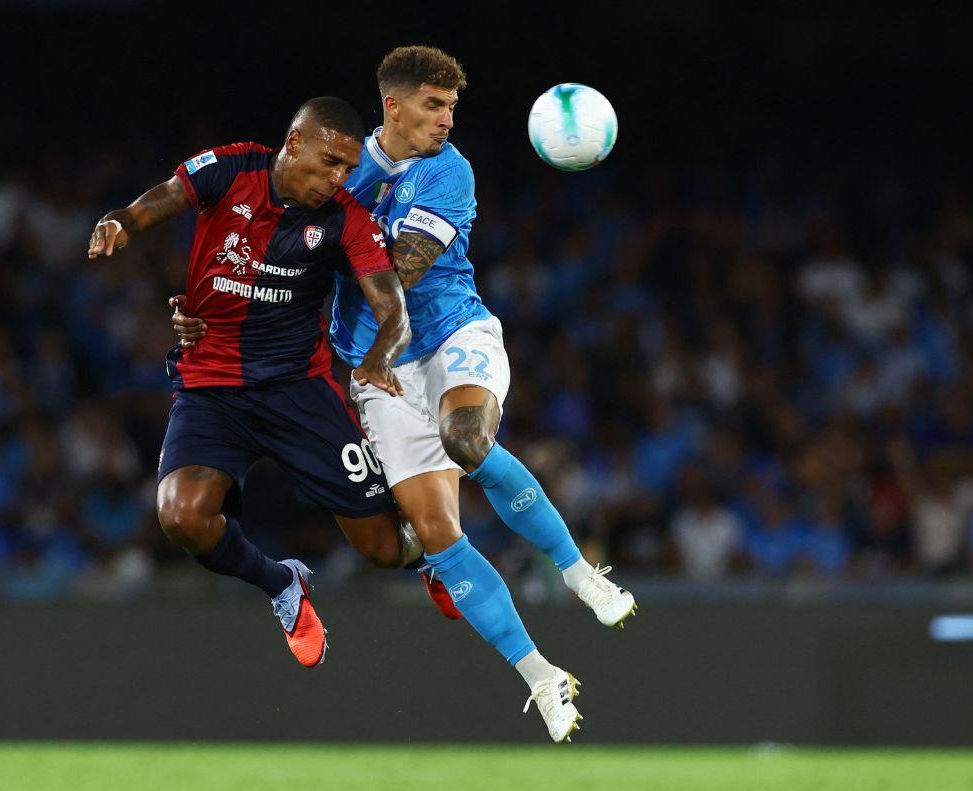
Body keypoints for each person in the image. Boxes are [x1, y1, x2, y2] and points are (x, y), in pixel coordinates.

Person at [174, 48, 635, 742]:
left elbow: (400, 273)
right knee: (436, 536)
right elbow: (269, 240)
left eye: (452, 108)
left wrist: (312, 247)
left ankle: (577, 573)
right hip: (374, 369)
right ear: (393, 106)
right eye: (433, 106)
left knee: (467, 439)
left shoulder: (449, 172)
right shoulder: (340, 168)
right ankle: (542, 677)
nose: (447, 120)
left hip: (450, 335)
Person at [88, 97, 417, 670]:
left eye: (347, 168)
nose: (338, 179)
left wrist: (377, 358)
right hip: (213, 388)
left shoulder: (344, 218)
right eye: (330, 163)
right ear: (294, 144)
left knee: (386, 551)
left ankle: (438, 554)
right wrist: (121, 221)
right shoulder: (232, 168)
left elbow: (394, 311)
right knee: (181, 516)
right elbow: (163, 198)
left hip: (298, 392)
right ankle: (283, 586)